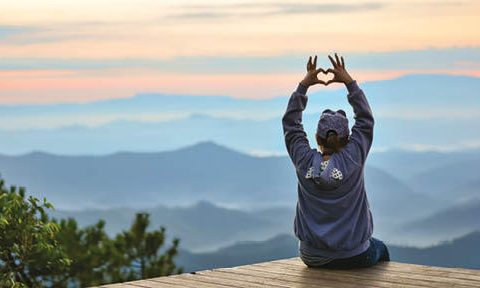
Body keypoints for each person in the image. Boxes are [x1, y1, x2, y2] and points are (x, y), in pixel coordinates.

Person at [282, 53, 390, 269]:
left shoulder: (303, 159)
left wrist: (304, 85)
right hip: (353, 255)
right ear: (347, 138)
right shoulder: (353, 157)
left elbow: (291, 125)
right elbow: (366, 122)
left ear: (317, 138)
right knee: (382, 249)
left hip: (312, 257)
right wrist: (349, 83)